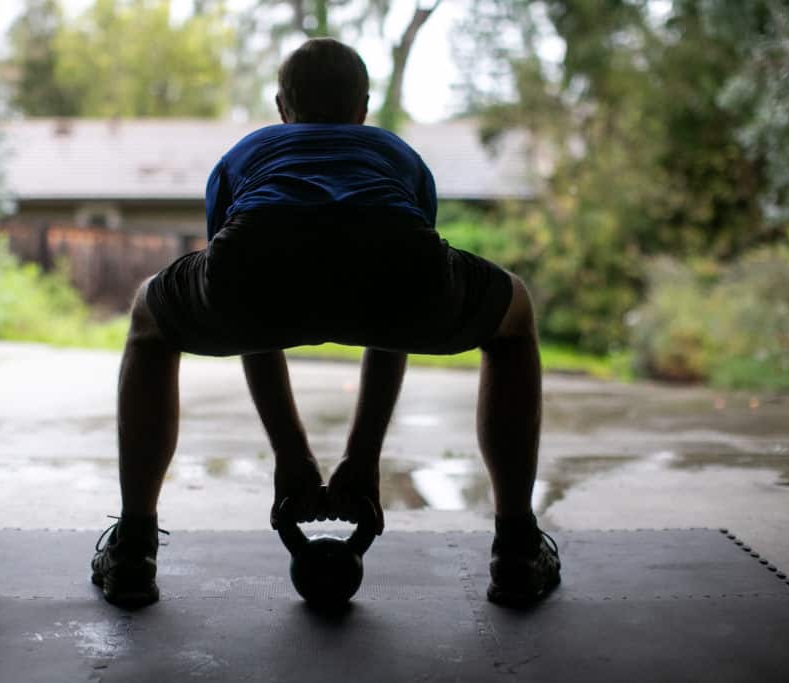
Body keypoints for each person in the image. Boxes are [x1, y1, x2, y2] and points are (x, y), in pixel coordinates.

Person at [91, 37, 560, 608]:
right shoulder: (395, 153)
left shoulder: (250, 151)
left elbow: (245, 312)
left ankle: (134, 550)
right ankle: (516, 548)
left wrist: (294, 458)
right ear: (362, 108)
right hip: (396, 256)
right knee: (514, 317)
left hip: (258, 254)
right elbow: (399, 318)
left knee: (150, 320)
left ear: (282, 107)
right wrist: (362, 459)